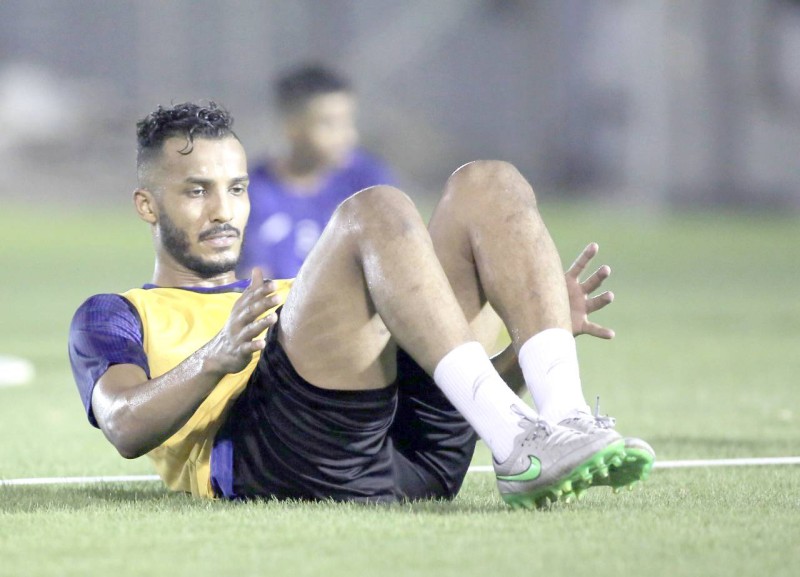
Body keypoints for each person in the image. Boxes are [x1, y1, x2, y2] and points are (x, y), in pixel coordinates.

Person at [68, 102, 654, 509]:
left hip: (414, 460)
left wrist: (528, 350)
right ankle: (521, 445)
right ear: (147, 205)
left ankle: (561, 418)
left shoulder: (299, 297)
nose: (223, 210)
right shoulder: (117, 313)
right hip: (272, 462)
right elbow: (123, 426)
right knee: (374, 212)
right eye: (197, 191)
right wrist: (214, 358)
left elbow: (441, 382)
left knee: (487, 182)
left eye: (237, 188)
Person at [238, 63, 395, 279]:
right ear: (291, 126)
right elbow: (252, 276)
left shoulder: (367, 182)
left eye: (347, 122)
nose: (346, 136)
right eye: (329, 124)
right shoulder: (254, 192)